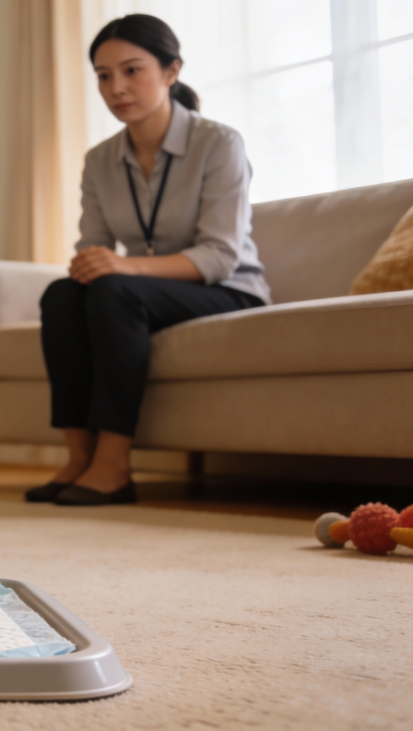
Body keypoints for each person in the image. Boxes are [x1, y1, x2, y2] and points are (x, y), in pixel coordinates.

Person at [28, 14, 271, 506]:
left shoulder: (219, 143)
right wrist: (92, 267)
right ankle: (79, 457)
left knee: (115, 289)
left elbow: (220, 256)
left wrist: (121, 267)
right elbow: (91, 246)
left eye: (132, 70)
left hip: (226, 289)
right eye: (103, 75)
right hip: (144, 290)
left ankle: (114, 465)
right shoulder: (100, 161)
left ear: (171, 72)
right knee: (60, 294)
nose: (116, 87)